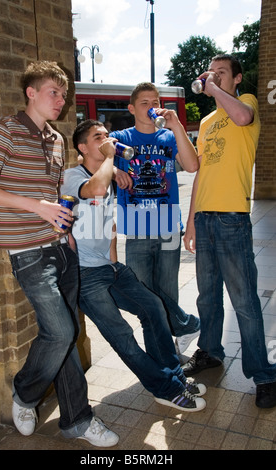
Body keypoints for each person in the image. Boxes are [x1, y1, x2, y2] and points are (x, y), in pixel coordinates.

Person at [0, 61, 119, 446]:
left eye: (63, 94)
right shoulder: (4, 131)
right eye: (53, 92)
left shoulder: (56, 139)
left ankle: (76, 419)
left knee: (66, 335)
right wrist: (37, 207)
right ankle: (25, 393)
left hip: (61, 247)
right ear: (31, 92)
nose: (61, 100)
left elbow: (59, 196)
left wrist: (64, 227)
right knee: (60, 331)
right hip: (27, 251)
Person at [61, 119, 207, 413]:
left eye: (107, 135)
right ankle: (165, 389)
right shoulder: (71, 176)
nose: (106, 139)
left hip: (109, 268)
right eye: (98, 137)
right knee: (122, 336)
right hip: (84, 274)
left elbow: (109, 223)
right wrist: (112, 160)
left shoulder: (109, 173)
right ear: (82, 147)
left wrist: (114, 263)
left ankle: (175, 378)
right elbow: (95, 189)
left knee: (153, 308)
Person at [182, 54, 276, 409]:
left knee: (245, 301)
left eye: (222, 72)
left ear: (237, 79)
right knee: (207, 295)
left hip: (232, 217)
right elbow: (201, 172)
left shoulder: (246, 103)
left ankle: (264, 375)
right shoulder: (206, 121)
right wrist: (190, 221)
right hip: (205, 218)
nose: (214, 76)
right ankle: (210, 351)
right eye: (211, 72)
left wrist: (213, 89)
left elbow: (240, 117)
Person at [110, 82, 200, 354]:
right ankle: (187, 326)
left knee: (167, 291)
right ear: (131, 108)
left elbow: (193, 165)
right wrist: (115, 171)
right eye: (144, 103)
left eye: (155, 101)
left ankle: (165, 354)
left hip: (168, 226)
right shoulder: (121, 136)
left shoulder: (169, 137)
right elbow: (94, 150)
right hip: (136, 229)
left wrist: (177, 126)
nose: (151, 107)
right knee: (143, 294)